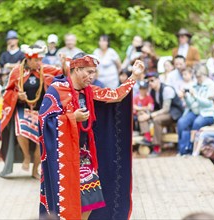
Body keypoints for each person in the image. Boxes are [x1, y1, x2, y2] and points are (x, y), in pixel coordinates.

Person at [38, 53, 144, 220]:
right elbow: (45, 122)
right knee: (66, 204)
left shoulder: (89, 91)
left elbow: (115, 95)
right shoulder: (56, 91)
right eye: (88, 72)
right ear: (76, 69)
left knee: (90, 201)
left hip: (83, 155)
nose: (91, 76)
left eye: (94, 72)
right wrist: (73, 118)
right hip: (63, 159)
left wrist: (134, 76)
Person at [0, 44, 62, 179]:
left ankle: (35, 170)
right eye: (36, 60)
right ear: (28, 59)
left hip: (41, 109)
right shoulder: (17, 72)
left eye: (40, 60)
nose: (39, 63)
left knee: (42, 140)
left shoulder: (45, 69)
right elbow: (6, 91)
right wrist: (17, 96)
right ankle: (26, 156)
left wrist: (65, 65)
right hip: (23, 108)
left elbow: (63, 74)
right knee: (21, 131)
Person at [138, 72, 184, 153]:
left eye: (152, 80)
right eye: (148, 81)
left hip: (174, 113)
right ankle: (147, 137)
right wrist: (146, 111)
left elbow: (166, 109)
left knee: (157, 120)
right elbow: (154, 107)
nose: (150, 83)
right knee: (141, 113)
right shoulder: (153, 91)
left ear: (158, 80)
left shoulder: (167, 89)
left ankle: (157, 147)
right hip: (163, 112)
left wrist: (150, 116)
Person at [177, 64, 214, 155]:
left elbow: (208, 103)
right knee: (182, 123)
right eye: (196, 77)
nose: (198, 79)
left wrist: (195, 96)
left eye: (199, 77)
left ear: (205, 75)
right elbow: (191, 104)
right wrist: (186, 97)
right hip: (196, 111)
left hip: (208, 113)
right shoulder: (195, 85)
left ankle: (191, 148)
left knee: (197, 122)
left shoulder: (211, 85)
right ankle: (182, 150)